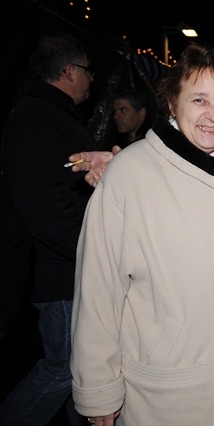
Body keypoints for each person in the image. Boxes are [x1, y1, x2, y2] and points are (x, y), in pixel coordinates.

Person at [70, 43, 214, 425]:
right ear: (172, 102)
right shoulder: (130, 175)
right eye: (199, 99)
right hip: (173, 394)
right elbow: (98, 289)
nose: (213, 114)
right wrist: (98, 389)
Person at [0, 33, 98, 426]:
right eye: (88, 70)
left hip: (68, 270)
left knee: (82, 374)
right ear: (69, 71)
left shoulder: (51, 116)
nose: (92, 79)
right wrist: (93, 252)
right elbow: (46, 209)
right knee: (67, 369)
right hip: (62, 275)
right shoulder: (37, 120)